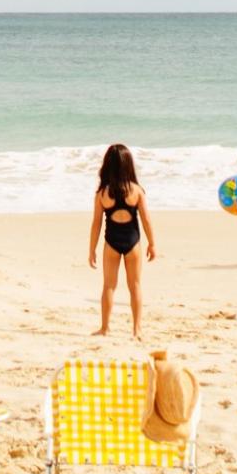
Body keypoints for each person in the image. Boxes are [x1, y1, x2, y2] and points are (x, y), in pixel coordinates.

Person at [89, 143, 156, 338]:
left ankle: (105, 328)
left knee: (108, 285)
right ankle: (137, 329)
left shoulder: (102, 193)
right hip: (132, 241)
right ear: (129, 165)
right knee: (134, 285)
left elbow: (96, 223)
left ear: (107, 165)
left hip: (111, 242)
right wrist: (152, 243)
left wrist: (92, 249)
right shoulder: (136, 191)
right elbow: (146, 219)